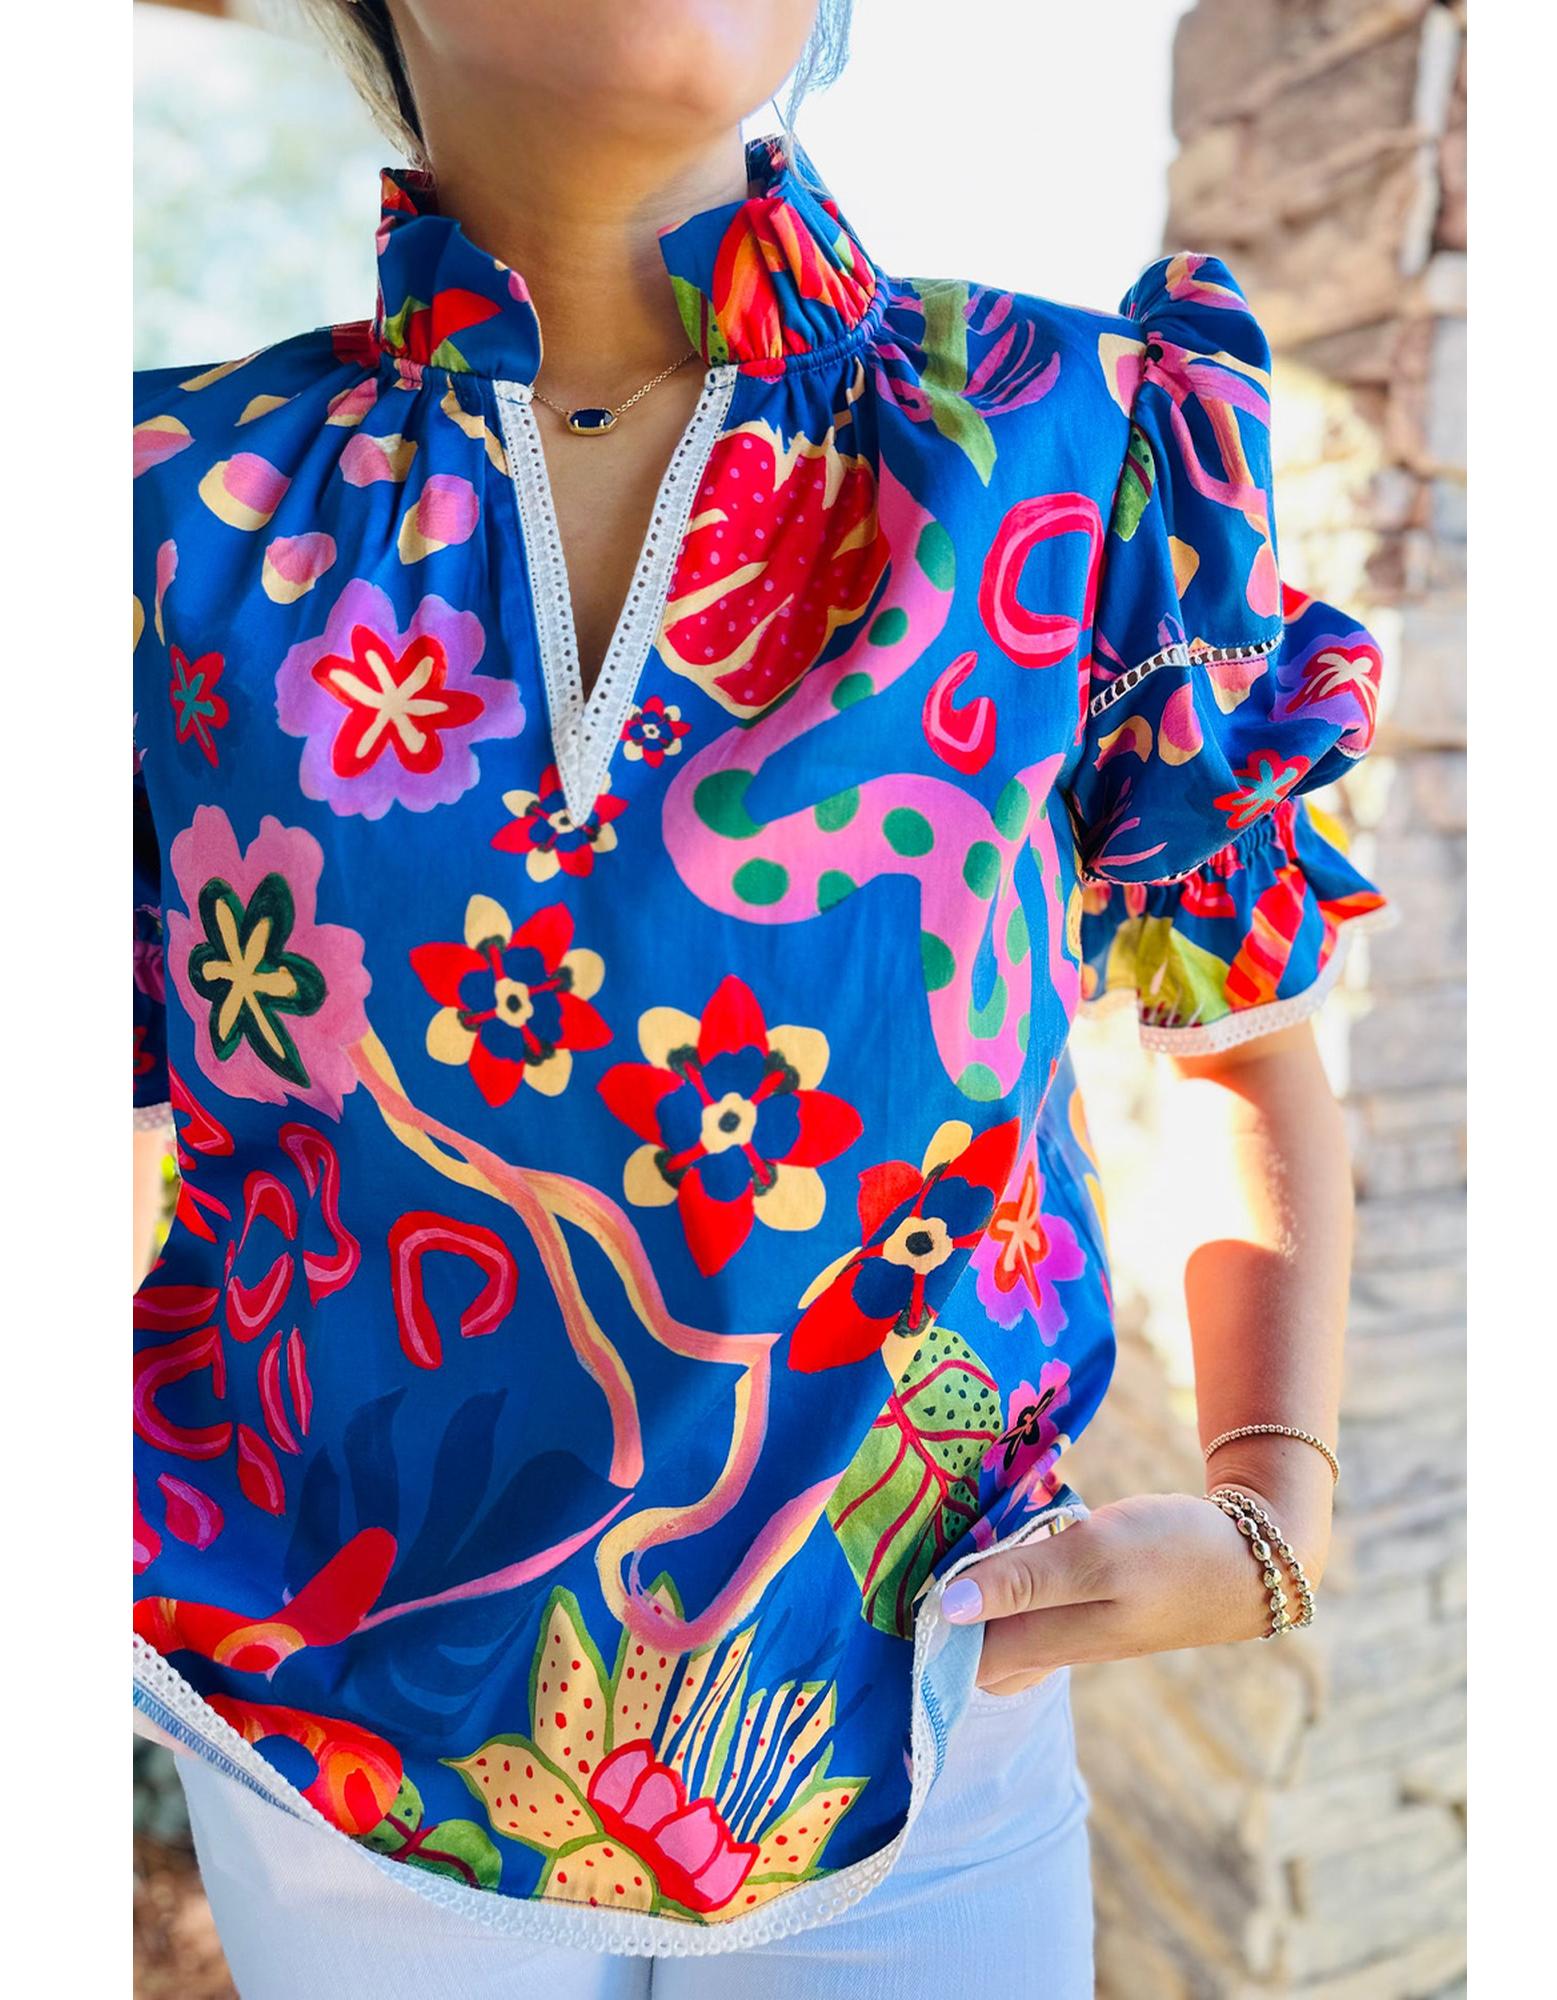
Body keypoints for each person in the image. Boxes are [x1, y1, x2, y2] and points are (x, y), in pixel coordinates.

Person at [132, 2, 1388, 1993]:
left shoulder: (1073, 445)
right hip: (321, 1740)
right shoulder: (156, 515)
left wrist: (1269, 1511)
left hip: (934, 1716)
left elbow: (1237, 1038)